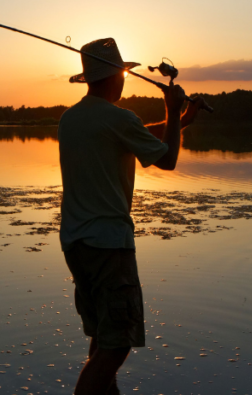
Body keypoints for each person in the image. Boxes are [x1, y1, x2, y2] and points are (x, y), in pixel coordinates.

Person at [57, 38, 203, 395]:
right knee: (118, 343)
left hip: (76, 245)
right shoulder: (119, 118)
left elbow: (133, 139)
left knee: (102, 336)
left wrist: (179, 121)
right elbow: (166, 159)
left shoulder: (71, 119)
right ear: (116, 77)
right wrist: (171, 110)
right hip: (109, 247)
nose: (125, 79)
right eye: (123, 73)